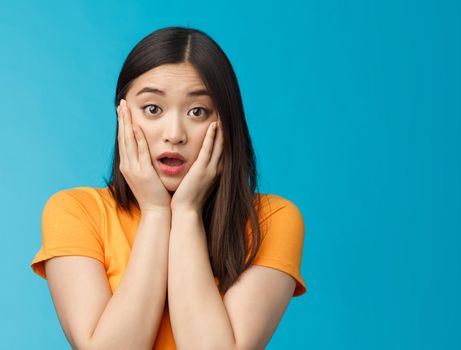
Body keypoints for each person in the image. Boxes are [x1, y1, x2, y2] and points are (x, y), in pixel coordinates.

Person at [30, 26, 307, 350]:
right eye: (153, 109)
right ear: (122, 114)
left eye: (197, 111)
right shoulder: (75, 212)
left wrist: (186, 213)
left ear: (226, 120)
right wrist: (156, 211)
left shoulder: (272, 219)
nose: (174, 133)